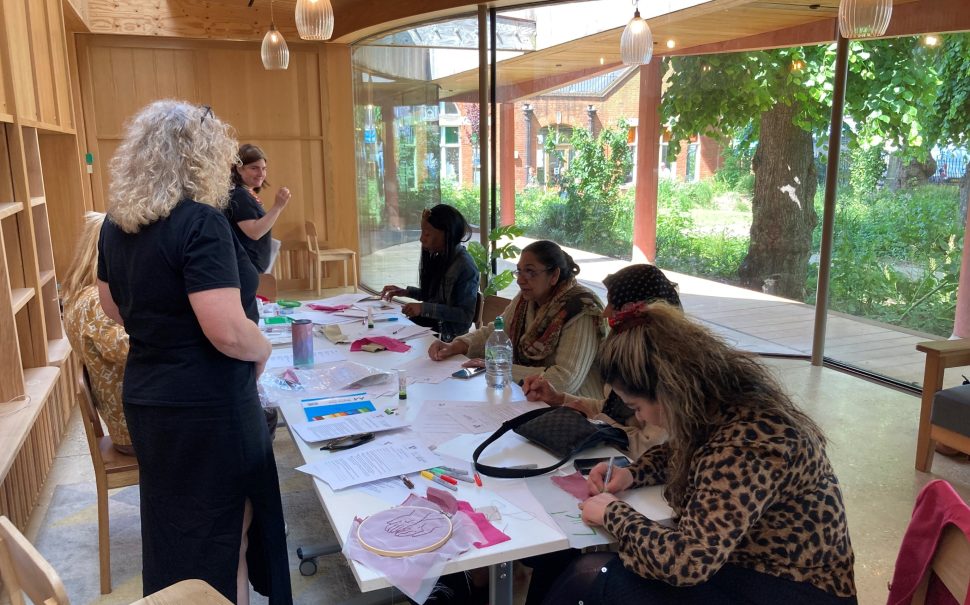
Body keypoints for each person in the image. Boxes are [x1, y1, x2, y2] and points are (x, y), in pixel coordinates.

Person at [530, 304, 857, 605]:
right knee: (578, 567)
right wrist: (632, 473)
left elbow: (688, 561)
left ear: (669, 391)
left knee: (592, 577)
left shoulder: (752, 442)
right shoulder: (721, 405)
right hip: (743, 565)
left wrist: (615, 513)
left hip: (792, 587)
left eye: (637, 407)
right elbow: (682, 449)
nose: (640, 418)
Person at [97, 101, 291, 605]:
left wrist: (162, 327)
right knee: (224, 535)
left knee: (176, 532)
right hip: (207, 404)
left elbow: (112, 306)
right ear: (200, 158)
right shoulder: (199, 221)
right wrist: (263, 346)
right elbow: (227, 331)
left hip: (150, 396)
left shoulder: (116, 225)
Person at [521, 263, 682, 457]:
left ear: (635, 309)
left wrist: (597, 421)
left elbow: (652, 450)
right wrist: (559, 399)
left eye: (614, 304)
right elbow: (611, 408)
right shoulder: (632, 354)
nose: (606, 312)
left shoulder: (666, 373)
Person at [428, 240, 606, 398]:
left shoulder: (582, 308)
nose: (520, 280)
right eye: (519, 271)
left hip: (575, 406)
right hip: (529, 393)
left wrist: (497, 367)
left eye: (530, 272)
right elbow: (496, 330)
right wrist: (455, 346)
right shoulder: (527, 298)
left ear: (554, 276)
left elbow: (565, 380)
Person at [63, 211, 133, 455]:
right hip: (132, 427)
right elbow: (131, 350)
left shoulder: (78, 296)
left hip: (126, 418)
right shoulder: (95, 302)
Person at [381, 204, 479, 341]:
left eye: (427, 234)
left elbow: (465, 314)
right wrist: (406, 292)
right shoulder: (441, 257)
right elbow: (434, 297)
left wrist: (423, 308)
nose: (421, 239)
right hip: (432, 326)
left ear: (446, 234)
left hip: (447, 337)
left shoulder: (466, 267)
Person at [226, 143, 290, 273]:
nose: (261, 173)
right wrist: (277, 207)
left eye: (264, 168)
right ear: (239, 169)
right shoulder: (239, 195)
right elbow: (254, 232)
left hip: (251, 267)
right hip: (246, 267)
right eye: (254, 168)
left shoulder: (246, 192)